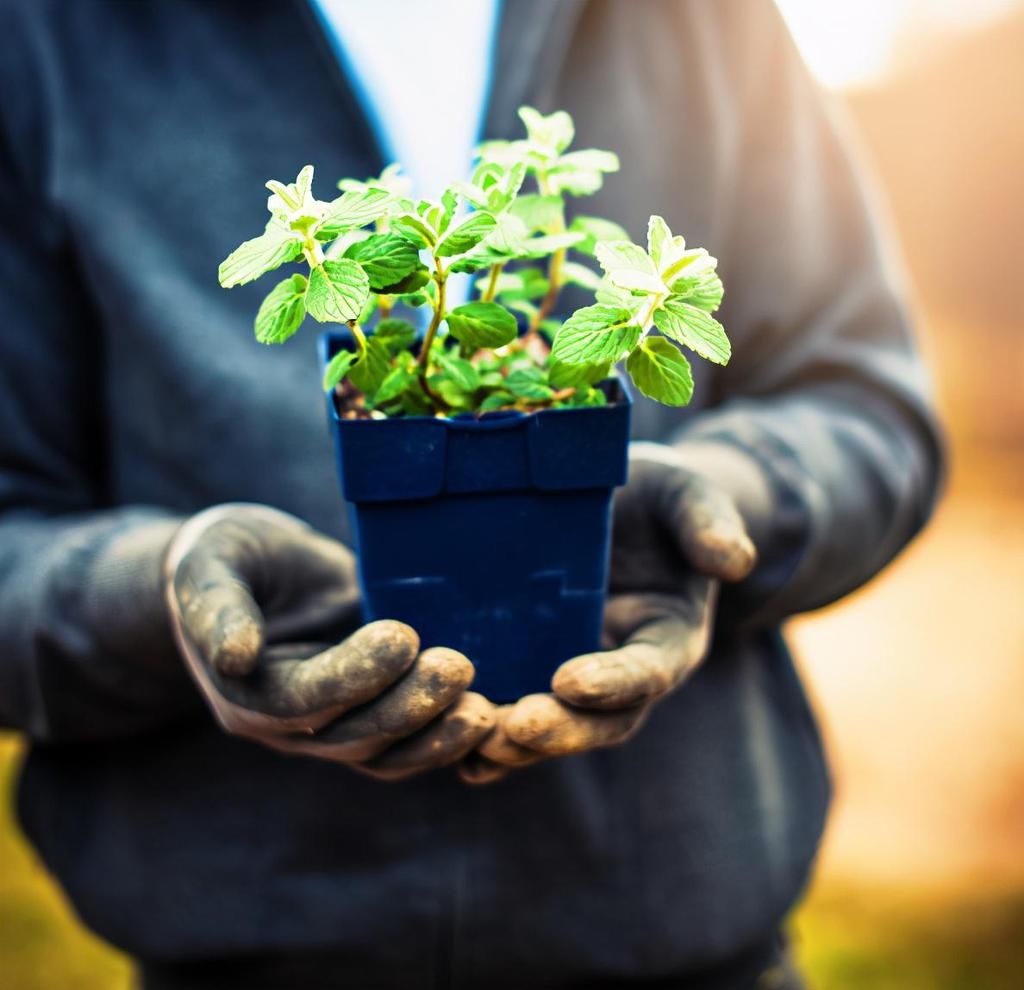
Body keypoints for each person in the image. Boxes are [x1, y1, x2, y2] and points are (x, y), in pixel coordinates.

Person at [0, 1, 943, 988]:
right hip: (242, 950)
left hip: (688, 945)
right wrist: (152, 597)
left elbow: (866, 406)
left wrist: (725, 496)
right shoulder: (48, 33)